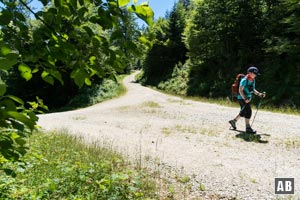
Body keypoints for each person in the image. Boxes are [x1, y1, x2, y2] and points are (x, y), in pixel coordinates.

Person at [229, 66, 266, 133]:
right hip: (241, 98)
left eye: (256, 74)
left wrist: (259, 94)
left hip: (247, 98)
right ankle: (248, 128)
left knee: (243, 112)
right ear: (249, 73)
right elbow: (240, 90)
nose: (255, 75)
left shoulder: (253, 80)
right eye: (254, 73)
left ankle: (233, 121)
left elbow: (253, 89)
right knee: (248, 111)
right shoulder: (244, 80)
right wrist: (245, 98)